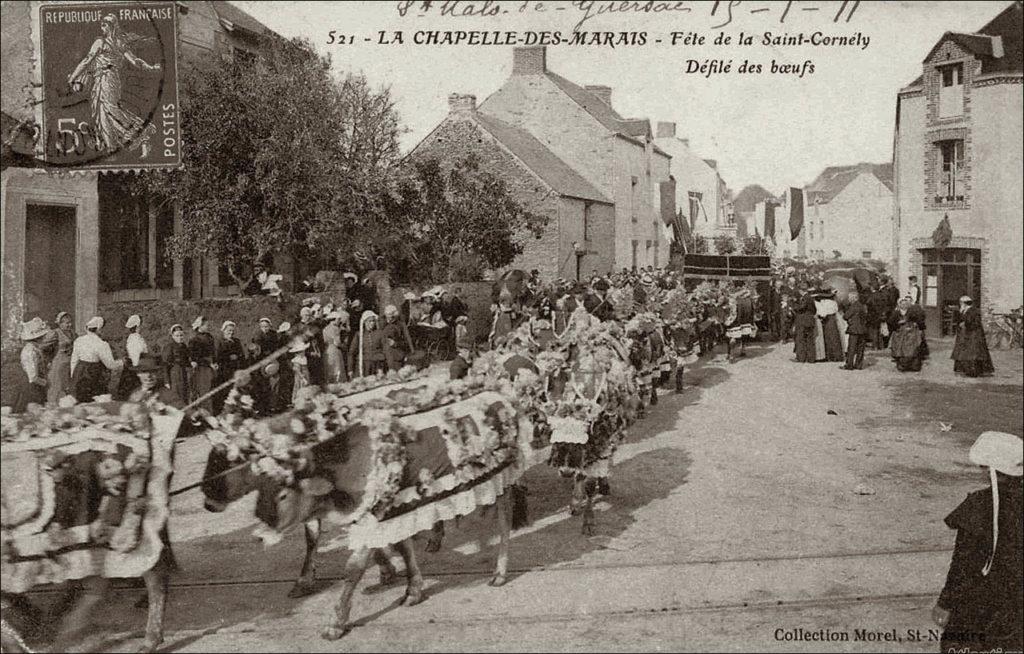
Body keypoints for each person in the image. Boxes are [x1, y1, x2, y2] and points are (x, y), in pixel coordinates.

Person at [933, 431, 1022, 653]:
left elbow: (962, 564)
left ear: (987, 469)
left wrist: (945, 603)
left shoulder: (979, 505)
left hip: (979, 603)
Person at [70, 316, 123, 402]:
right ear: (99, 329)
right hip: (93, 373)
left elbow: (74, 360)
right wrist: (122, 362)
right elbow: (110, 365)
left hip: (79, 372)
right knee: (94, 400)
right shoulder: (102, 344)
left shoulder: (79, 340)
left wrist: (73, 377)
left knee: (79, 399)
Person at [952, 296, 995, 378]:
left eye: (961, 303)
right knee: (965, 352)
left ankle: (973, 372)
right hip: (967, 334)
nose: (960, 304)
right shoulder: (965, 310)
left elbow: (972, 323)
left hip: (973, 335)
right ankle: (964, 369)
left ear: (964, 303)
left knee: (972, 353)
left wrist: (964, 324)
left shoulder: (972, 311)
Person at [13, 318, 50, 412]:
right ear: (38, 337)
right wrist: (45, 383)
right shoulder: (30, 351)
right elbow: (32, 377)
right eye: (43, 336)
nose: (45, 338)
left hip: (36, 386)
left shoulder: (35, 349)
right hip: (32, 388)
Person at [43, 311, 76, 406]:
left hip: (69, 365)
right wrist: (48, 360)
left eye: (70, 322)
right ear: (60, 324)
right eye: (66, 323)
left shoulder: (73, 333)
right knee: (56, 387)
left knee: (67, 388)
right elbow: (44, 348)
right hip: (58, 364)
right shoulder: (55, 333)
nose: (69, 325)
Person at [214, 321, 246, 413]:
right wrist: (228, 357)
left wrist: (238, 358)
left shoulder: (236, 341)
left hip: (235, 369)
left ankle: (235, 410)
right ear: (223, 330)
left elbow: (242, 355)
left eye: (232, 331)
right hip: (224, 370)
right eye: (228, 330)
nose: (231, 332)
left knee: (235, 390)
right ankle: (223, 411)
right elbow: (216, 356)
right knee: (224, 390)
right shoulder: (219, 341)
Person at [187, 316, 217, 412]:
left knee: (212, 389)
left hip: (211, 367)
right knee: (204, 390)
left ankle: (210, 410)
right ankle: (204, 412)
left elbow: (213, 352)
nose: (208, 327)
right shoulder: (194, 339)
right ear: (200, 326)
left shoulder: (209, 337)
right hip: (202, 369)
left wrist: (215, 362)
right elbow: (195, 357)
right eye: (206, 325)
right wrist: (209, 363)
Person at [117, 314, 148, 399]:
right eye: (142, 324)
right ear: (137, 325)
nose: (143, 326)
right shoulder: (135, 339)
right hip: (135, 369)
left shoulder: (137, 337)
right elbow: (135, 356)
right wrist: (139, 370)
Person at [889, 297, 924, 372]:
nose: (904, 305)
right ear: (899, 304)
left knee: (912, 348)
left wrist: (915, 324)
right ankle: (902, 365)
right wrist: (898, 323)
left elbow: (918, 320)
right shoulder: (896, 313)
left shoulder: (911, 312)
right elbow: (891, 322)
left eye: (906, 304)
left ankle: (913, 366)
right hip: (899, 333)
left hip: (910, 332)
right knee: (900, 348)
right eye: (902, 304)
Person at [349, 311, 386, 378]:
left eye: (373, 321)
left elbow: (386, 350)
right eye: (369, 321)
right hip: (364, 366)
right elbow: (351, 352)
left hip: (377, 364)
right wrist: (350, 369)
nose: (372, 323)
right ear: (365, 322)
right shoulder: (359, 335)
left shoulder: (380, 333)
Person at [725, 285, 756, 360]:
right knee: (744, 335)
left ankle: (730, 354)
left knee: (731, 337)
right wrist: (752, 323)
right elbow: (752, 312)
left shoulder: (734, 301)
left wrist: (727, 321)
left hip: (735, 322)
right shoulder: (749, 301)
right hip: (746, 321)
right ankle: (743, 350)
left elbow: (732, 313)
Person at [163, 324, 191, 406]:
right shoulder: (169, 347)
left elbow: (186, 360)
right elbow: (165, 364)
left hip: (183, 373)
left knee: (185, 394)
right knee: (176, 395)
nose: (180, 337)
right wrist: (167, 381)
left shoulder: (184, 346)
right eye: (177, 335)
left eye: (181, 335)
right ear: (172, 336)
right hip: (174, 374)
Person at [841, 291, 868, 370]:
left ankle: (849, 364)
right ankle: (858, 365)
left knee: (851, 348)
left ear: (854, 298)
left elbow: (845, 316)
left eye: (850, 298)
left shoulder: (853, 306)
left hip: (854, 329)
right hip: (862, 329)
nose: (849, 299)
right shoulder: (862, 306)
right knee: (860, 348)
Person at [793, 286, 818, 363]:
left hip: (803, 321)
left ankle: (801, 358)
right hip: (810, 321)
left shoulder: (805, 298)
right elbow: (814, 309)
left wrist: (794, 306)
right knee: (810, 340)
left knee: (800, 339)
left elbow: (801, 307)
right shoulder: (810, 298)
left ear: (801, 291)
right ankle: (811, 358)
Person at [322, 310, 348, 384]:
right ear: (334, 319)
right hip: (335, 350)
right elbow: (337, 342)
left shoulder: (325, 329)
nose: (339, 321)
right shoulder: (335, 329)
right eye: (338, 319)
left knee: (330, 370)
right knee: (337, 370)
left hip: (327, 351)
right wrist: (344, 346)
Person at [380, 305, 408, 372]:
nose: (390, 317)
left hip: (395, 354)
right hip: (384, 354)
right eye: (388, 315)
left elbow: (406, 342)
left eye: (392, 315)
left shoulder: (400, 325)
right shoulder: (382, 324)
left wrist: (395, 343)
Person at [289, 340, 312, 405]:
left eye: (303, 351)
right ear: (297, 353)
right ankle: (298, 402)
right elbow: (297, 370)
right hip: (300, 376)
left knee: (306, 387)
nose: (303, 353)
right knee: (299, 387)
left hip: (306, 374)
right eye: (301, 352)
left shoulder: (304, 358)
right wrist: (303, 378)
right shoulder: (297, 360)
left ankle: (305, 401)